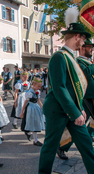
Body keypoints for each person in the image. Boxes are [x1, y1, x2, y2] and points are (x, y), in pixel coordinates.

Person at [38, 9, 94, 174]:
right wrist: (75, 112)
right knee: (50, 147)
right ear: (76, 36)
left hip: (72, 110)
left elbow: (74, 88)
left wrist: (79, 108)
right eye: (83, 38)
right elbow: (59, 88)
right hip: (58, 111)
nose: (83, 42)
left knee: (86, 145)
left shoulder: (71, 58)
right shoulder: (59, 57)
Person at [57, 39, 94, 160]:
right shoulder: (78, 62)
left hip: (92, 97)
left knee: (90, 124)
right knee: (78, 126)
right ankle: (62, 146)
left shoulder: (88, 62)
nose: (92, 50)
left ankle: (88, 140)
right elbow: (85, 74)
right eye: (90, 47)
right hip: (85, 98)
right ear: (83, 48)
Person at [20, 77, 45, 146]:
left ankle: (35, 139)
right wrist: (22, 112)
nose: (40, 88)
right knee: (30, 122)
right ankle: (32, 137)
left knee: (35, 122)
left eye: (40, 86)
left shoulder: (38, 92)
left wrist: (43, 108)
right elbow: (25, 103)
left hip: (36, 108)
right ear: (34, 84)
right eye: (38, 86)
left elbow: (39, 101)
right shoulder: (29, 92)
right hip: (30, 108)